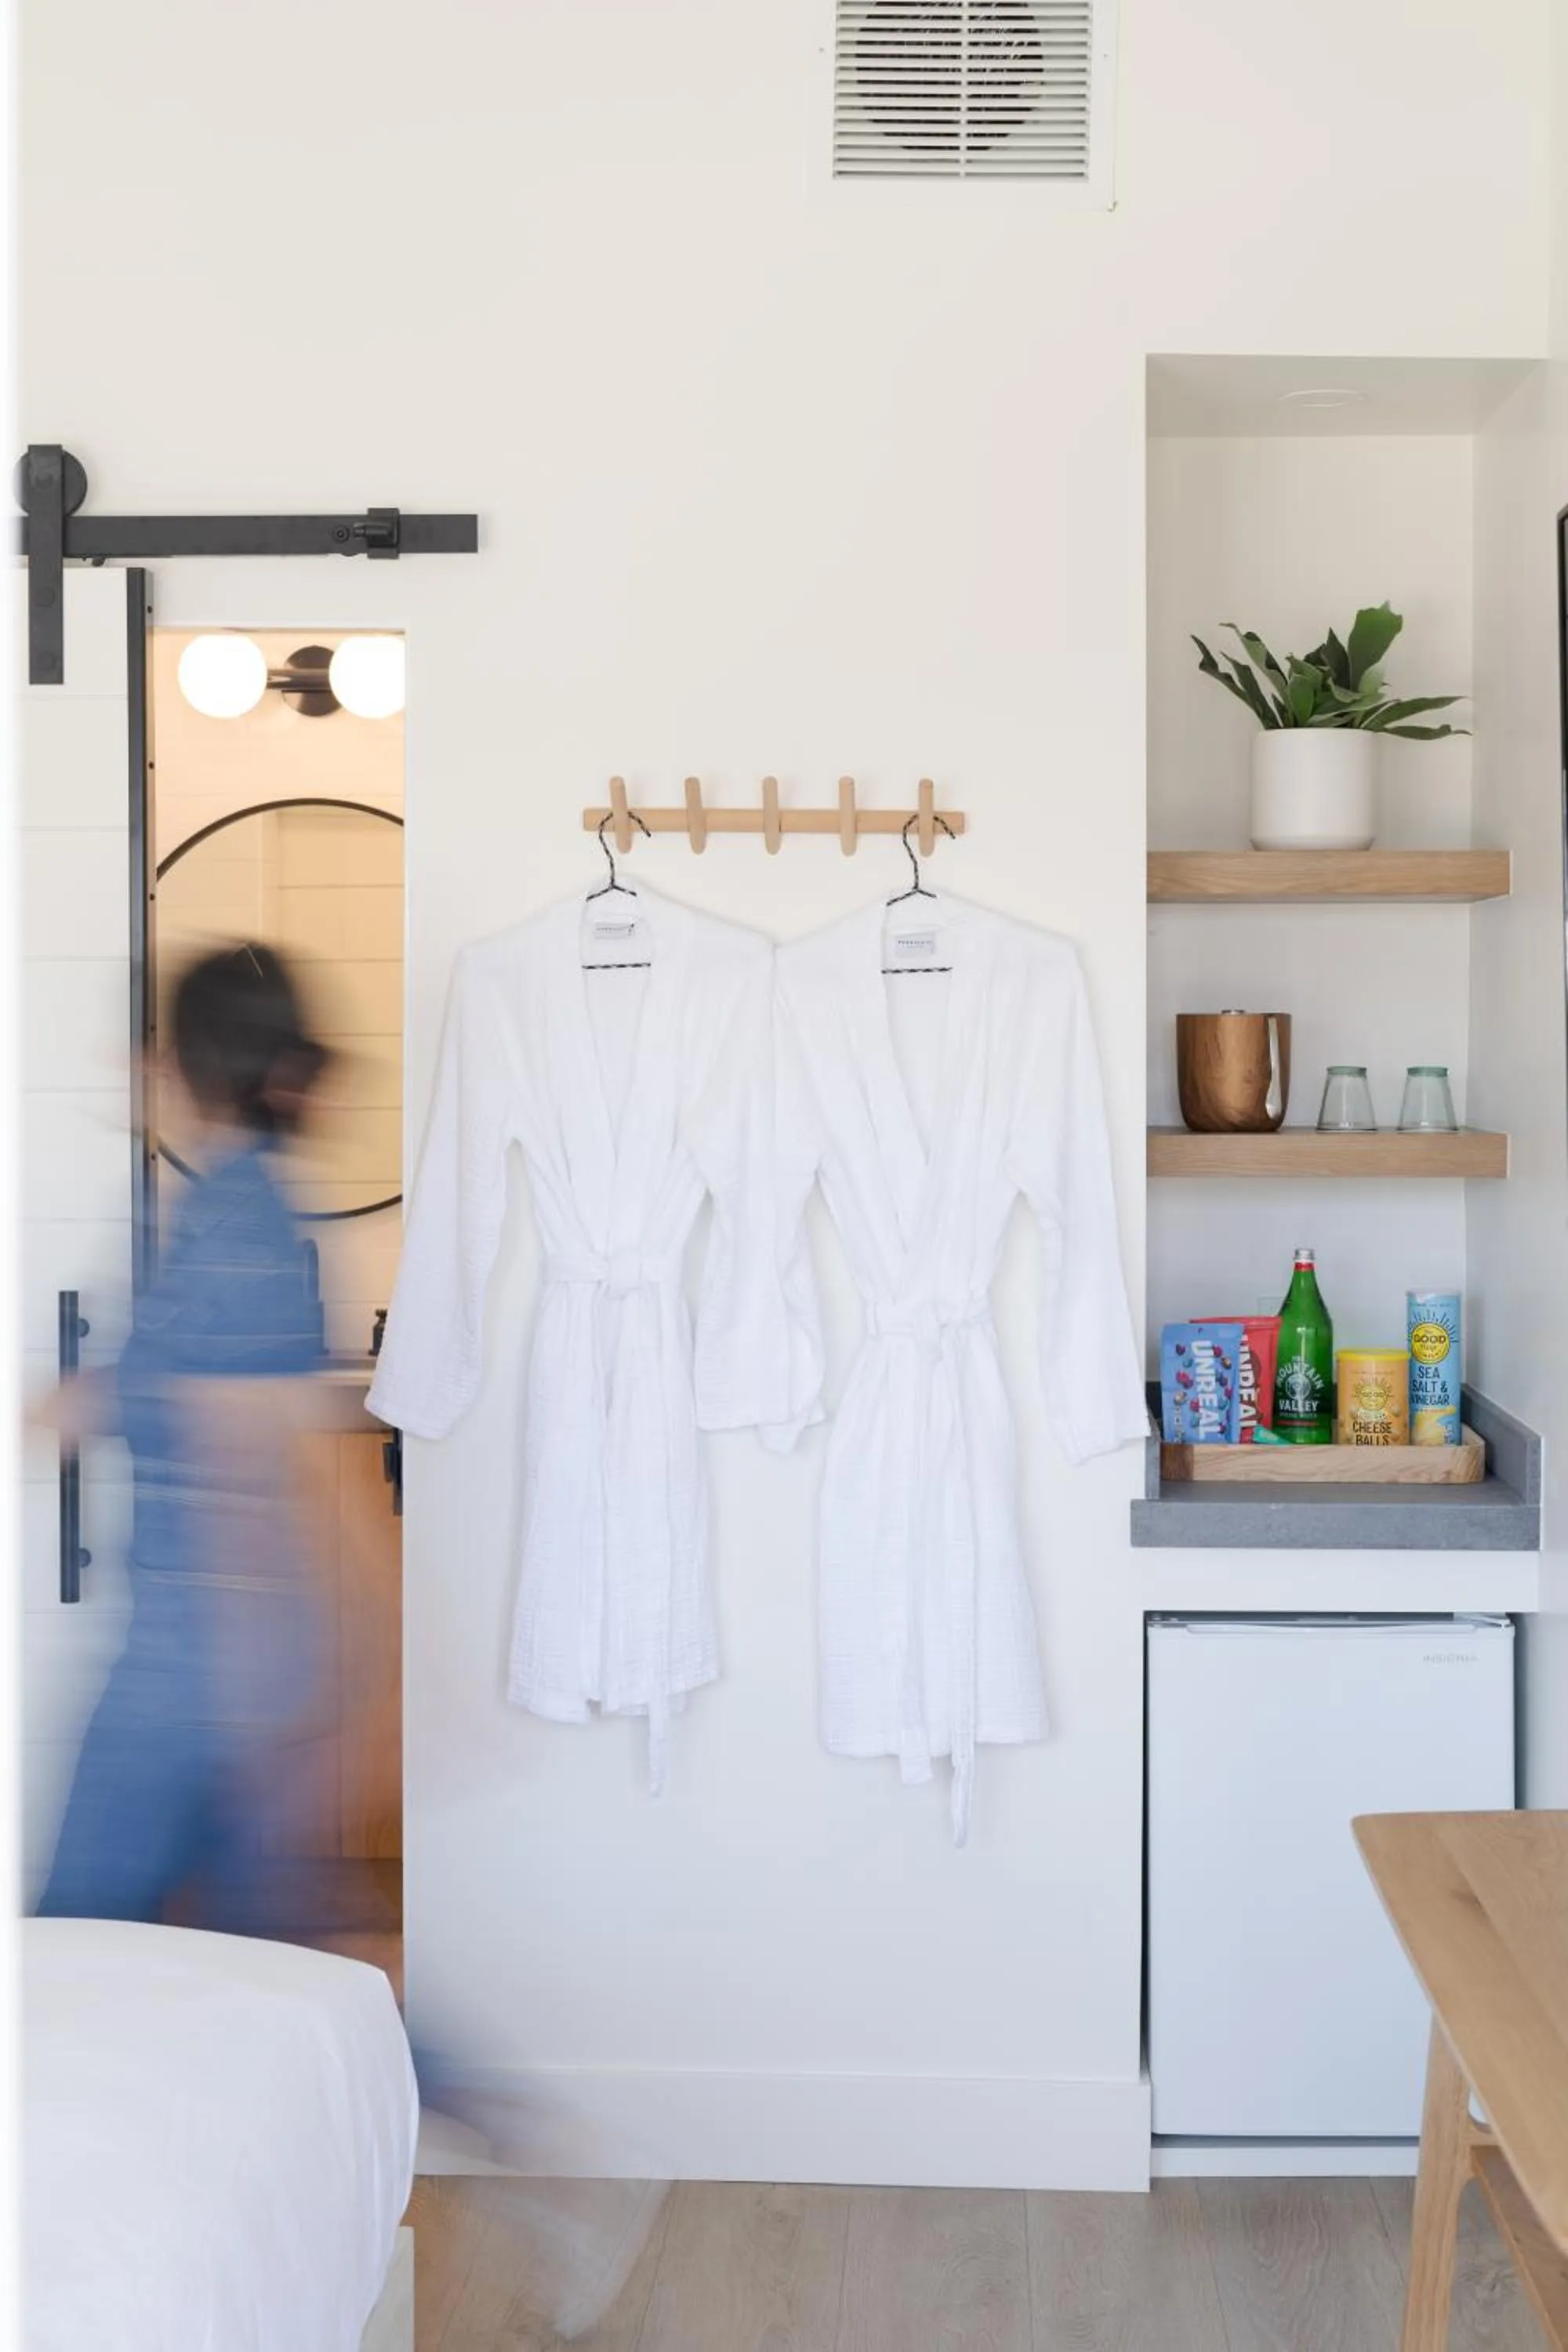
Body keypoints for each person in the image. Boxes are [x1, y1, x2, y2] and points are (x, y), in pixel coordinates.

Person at [34, 941, 337, 1930]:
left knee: (76, 1944)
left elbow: (247, 1470)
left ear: (183, 1060)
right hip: (208, 1673)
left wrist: (258, 1715)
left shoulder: (235, 1228)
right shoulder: (224, 1207)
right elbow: (183, 1395)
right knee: (256, 1957)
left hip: (190, 1679)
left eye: (150, 1045)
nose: (131, 1065)